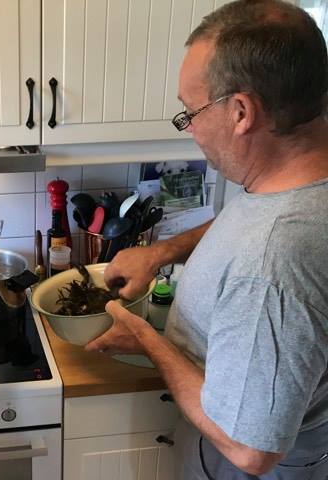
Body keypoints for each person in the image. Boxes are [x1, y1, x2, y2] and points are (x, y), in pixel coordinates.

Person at [86, 1, 328, 478]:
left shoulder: (274, 261)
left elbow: (248, 448)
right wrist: (161, 252)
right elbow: (250, 218)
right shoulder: (295, 175)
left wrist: (146, 339)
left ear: (241, 112)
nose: (190, 128)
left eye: (190, 112)